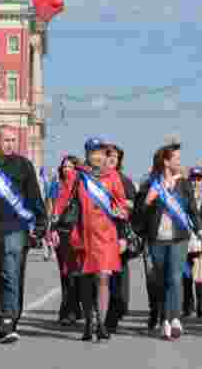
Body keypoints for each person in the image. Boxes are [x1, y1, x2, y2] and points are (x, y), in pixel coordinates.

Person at [0, 124, 47, 343]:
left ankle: (9, 319)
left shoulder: (24, 165)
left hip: (15, 227)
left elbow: (34, 196)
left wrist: (41, 222)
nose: (11, 144)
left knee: (11, 273)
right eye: (6, 140)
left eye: (14, 140)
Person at [49, 137, 129, 342]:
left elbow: (122, 205)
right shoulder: (79, 177)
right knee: (85, 281)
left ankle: (101, 323)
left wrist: (121, 225)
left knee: (103, 278)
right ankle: (88, 322)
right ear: (87, 155)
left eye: (100, 152)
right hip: (83, 235)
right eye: (92, 153)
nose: (96, 156)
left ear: (105, 155)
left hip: (106, 236)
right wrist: (55, 227)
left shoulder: (112, 177)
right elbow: (64, 202)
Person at [135, 142, 202, 340]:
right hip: (157, 239)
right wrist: (148, 200)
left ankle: (174, 319)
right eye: (177, 159)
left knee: (174, 278)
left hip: (178, 238)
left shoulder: (184, 183)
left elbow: (192, 210)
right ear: (166, 161)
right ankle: (164, 318)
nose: (180, 163)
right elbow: (139, 213)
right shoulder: (150, 183)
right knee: (161, 280)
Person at [104, 143, 137, 332]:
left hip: (119, 233)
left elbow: (133, 205)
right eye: (108, 156)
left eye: (114, 157)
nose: (111, 160)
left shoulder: (124, 181)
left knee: (118, 276)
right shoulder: (96, 179)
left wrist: (121, 206)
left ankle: (116, 312)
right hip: (100, 233)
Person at [48, 156, 82, 326]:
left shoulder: (80, 186)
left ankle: (72, 310)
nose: (66, 170)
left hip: (75, 232)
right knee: (64, 272)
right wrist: (52, 229)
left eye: (70, 167)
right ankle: (70, 309)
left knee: (73, 273)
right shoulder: (58, 186)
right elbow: (54, 209)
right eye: (64, 167)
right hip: (60, 232)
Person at [183, 167, 202, 319]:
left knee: (201, 275)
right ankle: (187, 306)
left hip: (201, 241)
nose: (196, 182)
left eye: (199, 179)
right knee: (186, 276)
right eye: (193, 179)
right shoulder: (184, 197)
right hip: (186, 241)